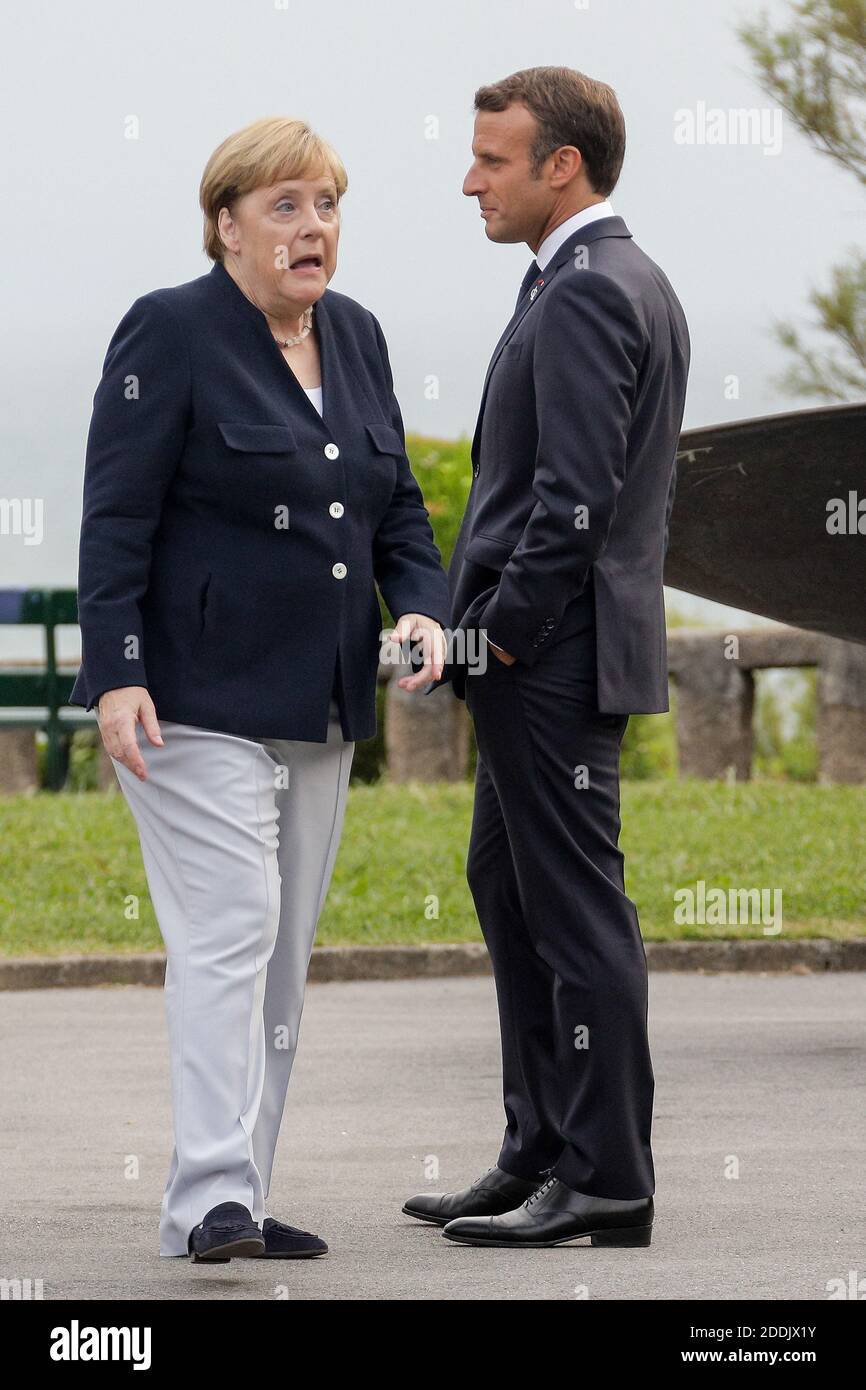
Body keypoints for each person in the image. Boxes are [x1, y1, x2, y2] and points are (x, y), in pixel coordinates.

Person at [70, 115, 449, 1261]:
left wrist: (420, 601)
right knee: (232, 927)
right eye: (285, 206)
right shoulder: (172, 330)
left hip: (321, 703)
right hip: (192, 698)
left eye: (326, 204)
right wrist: (115, 673)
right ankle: (207, 1200)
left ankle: (239, 1190)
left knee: (280, 954)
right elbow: (116, 514)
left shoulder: (360, 337)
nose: (312, 227)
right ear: (226, 224)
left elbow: (394, 508)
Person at [405, 66, 690, 1248]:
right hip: (550, 659)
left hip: (549, 663)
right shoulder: (603, 278)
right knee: (507, 887)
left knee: (574, 914)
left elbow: (569, 507)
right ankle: (539, 1148)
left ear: (558, 165)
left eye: (491, 158)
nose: (469, 177)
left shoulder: (584, 291)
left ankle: (607, 1178)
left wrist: (495, 638)